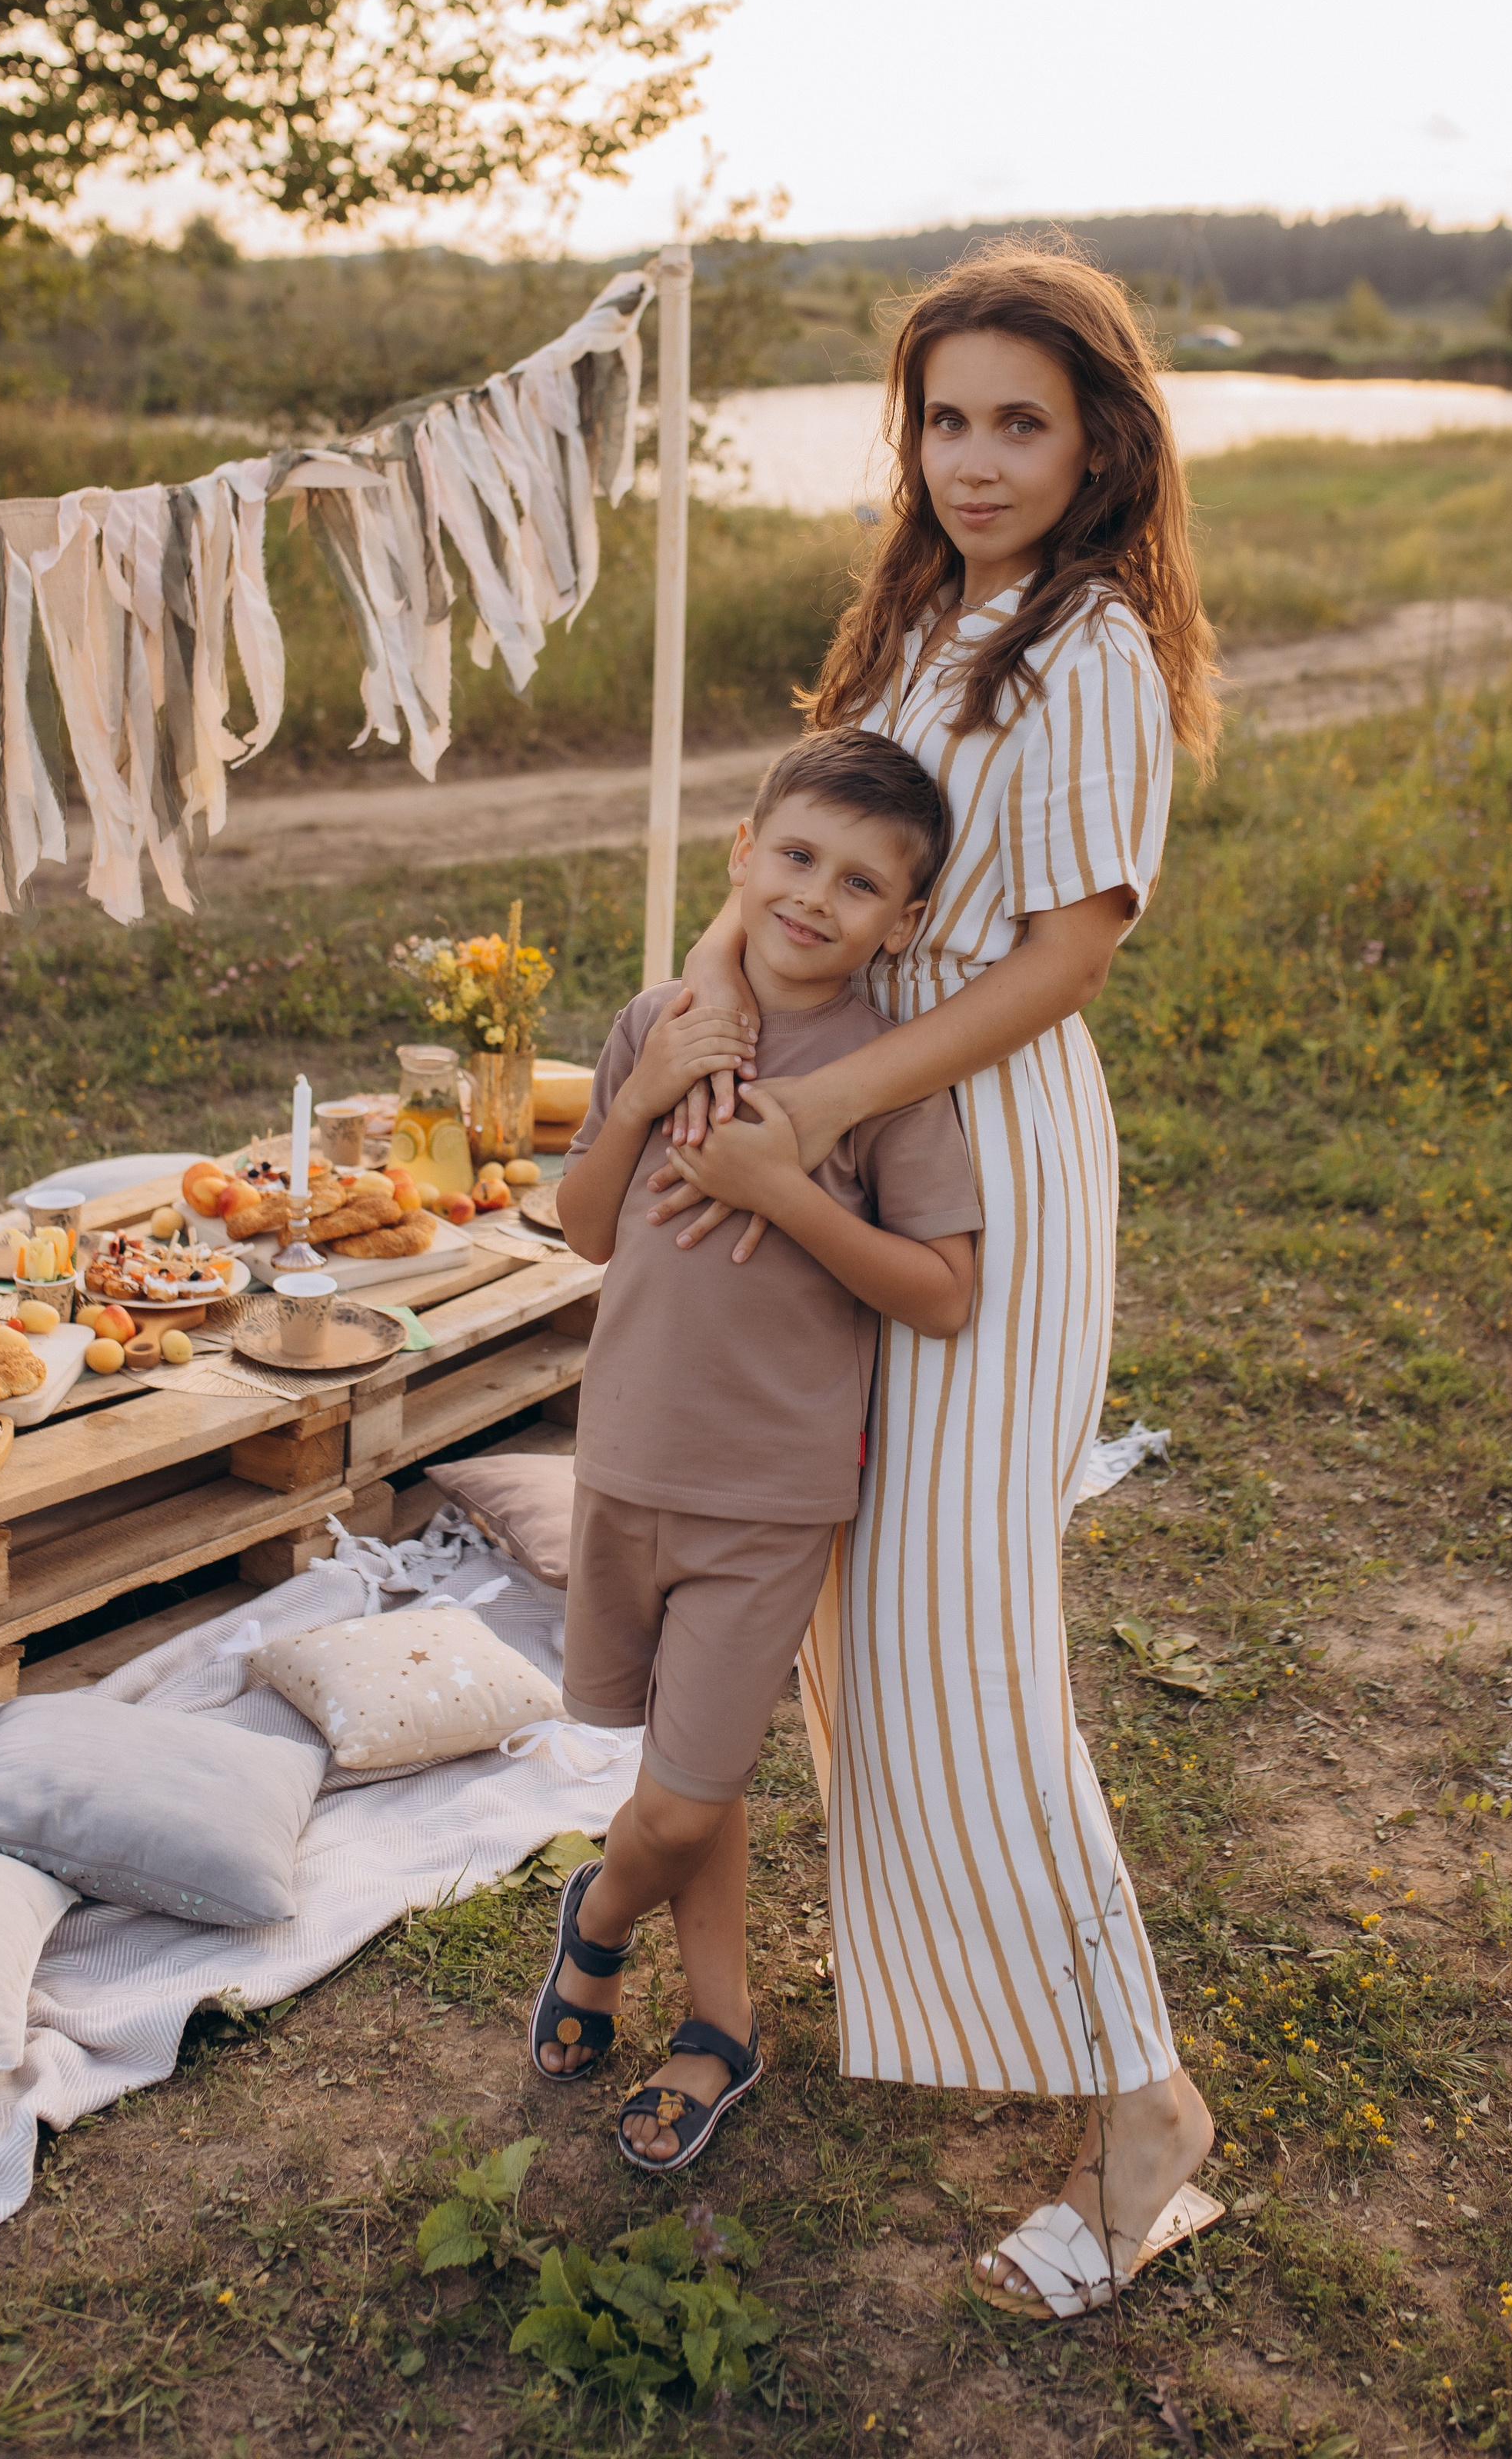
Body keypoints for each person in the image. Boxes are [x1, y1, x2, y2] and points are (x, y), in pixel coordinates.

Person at [651, 242, 1225, 2319]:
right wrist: (721, 1014)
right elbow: (798, 852)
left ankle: (1144, 2106)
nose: (974, 459)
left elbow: (1066, 955)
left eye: (1020, 423)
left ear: (1100, 446)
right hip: (850, 1112)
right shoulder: (925, 617)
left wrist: (817, 1117)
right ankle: (1018, 2025)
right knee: (854, 1619)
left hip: (985, 1149)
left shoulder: (1088, 654)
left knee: (963, 1641)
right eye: (946, 418)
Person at [534, 728, 984, 2174]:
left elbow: (943, 1289)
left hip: (770, 1493)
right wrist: (655, 1088)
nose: (815, 898)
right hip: (624, 1459)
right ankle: (718, 2026)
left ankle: (595, 1930)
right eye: (795, 857)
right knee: (692, 1773)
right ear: (744, 855)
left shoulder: (887, 1077)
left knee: (679, 1794)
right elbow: (587, 1223)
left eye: (861, 884)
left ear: (902, 923)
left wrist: (781, 1189)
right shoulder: (662, 1019)